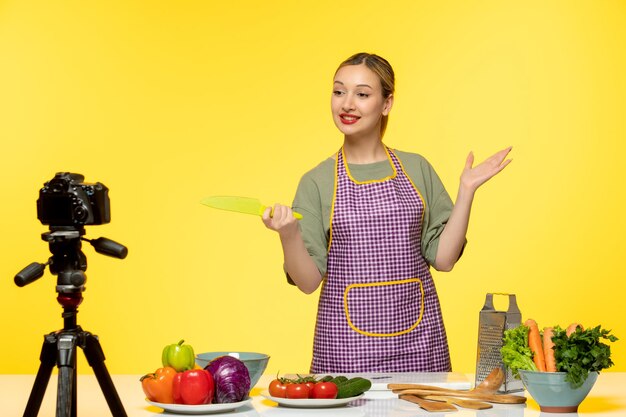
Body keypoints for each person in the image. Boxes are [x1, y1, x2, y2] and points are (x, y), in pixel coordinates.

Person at [262, 52, 511, 373]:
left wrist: (466, 191)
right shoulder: (317, 181)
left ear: (386, 103)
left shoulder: (416, 168)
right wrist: (288, 234)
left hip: (420, 343)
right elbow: (308, 282)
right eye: (339, 91)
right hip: (345, 348)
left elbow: (444, 260)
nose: (347, 104)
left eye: (362, 94)